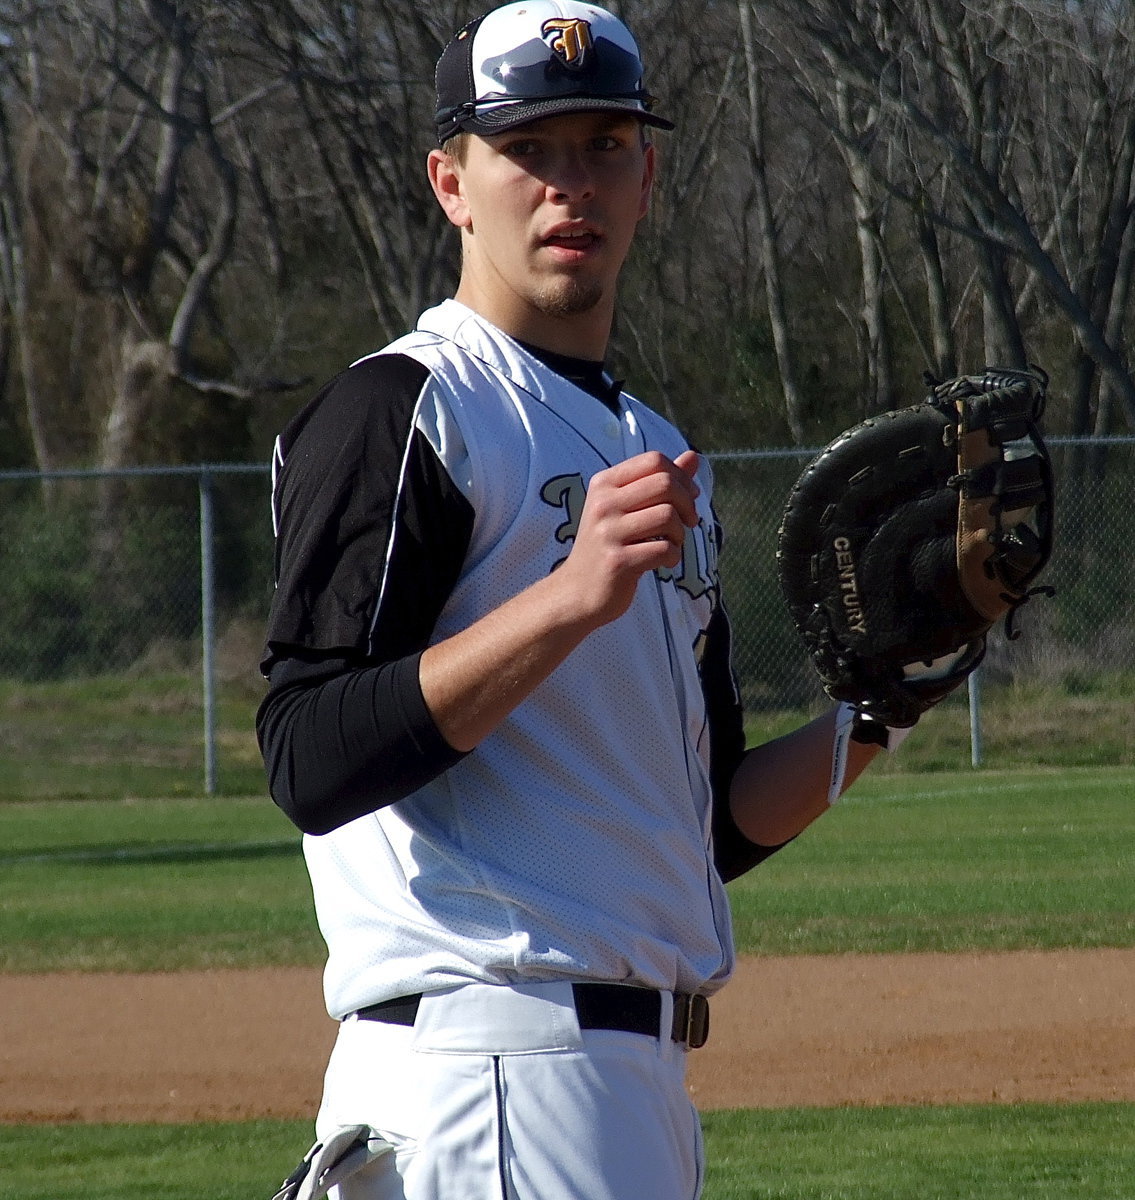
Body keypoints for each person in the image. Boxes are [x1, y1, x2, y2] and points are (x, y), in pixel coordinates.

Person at [257, 3, 894, 1197]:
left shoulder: (653, 447)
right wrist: (567, 598)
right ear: (452, 183)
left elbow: (702, 830)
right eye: (528, 150)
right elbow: (307, 756)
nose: (570, 184)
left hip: (628, 1081)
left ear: (646, 177)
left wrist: (883, 711)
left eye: (602, 146)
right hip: (483, 1066)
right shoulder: (408, 410)